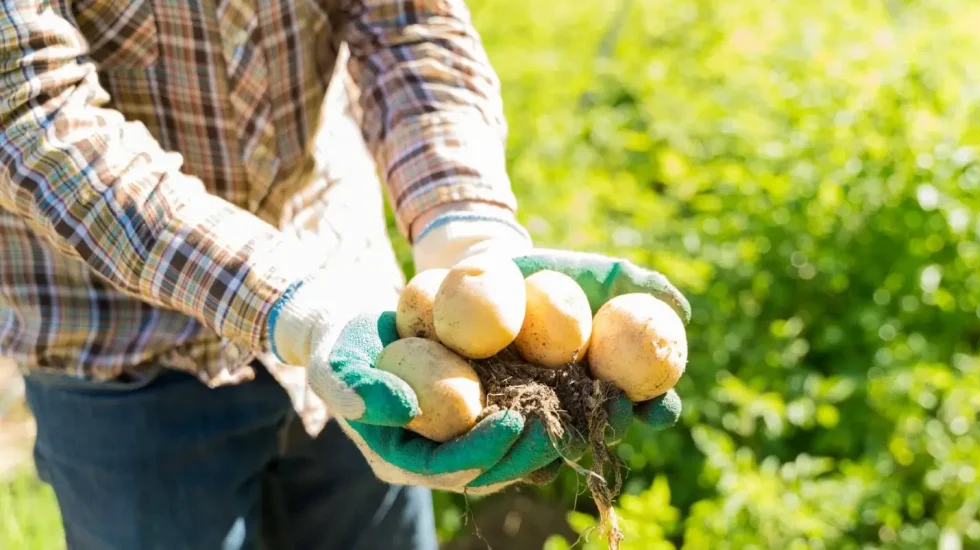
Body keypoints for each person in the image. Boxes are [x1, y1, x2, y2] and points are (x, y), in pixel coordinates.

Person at [0, 0, 691, 548]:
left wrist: (466, 230)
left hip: (357, 323)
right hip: (121, 348)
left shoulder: (385, 345)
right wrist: (295, 307)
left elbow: (408, 22)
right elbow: (33, 116)